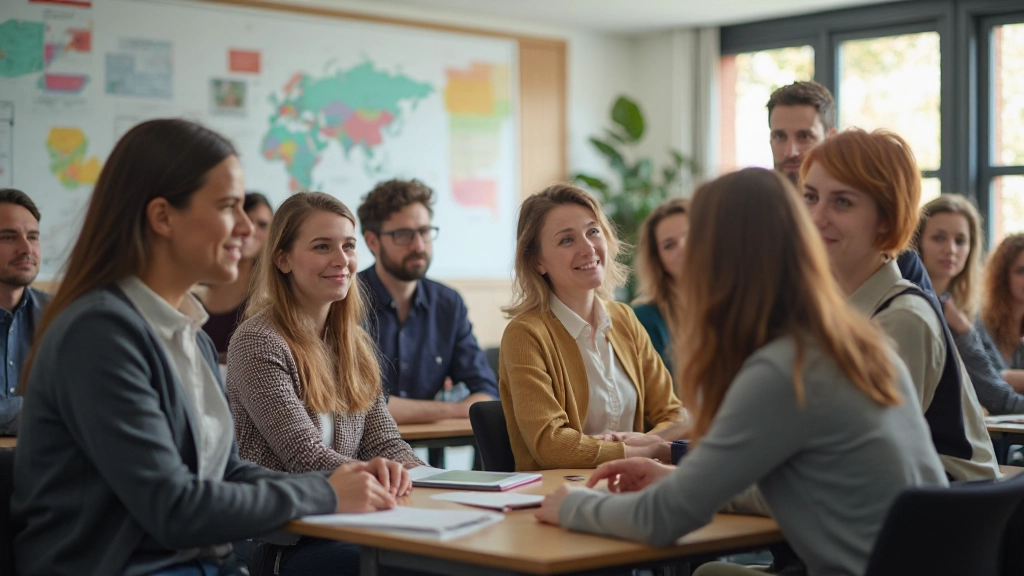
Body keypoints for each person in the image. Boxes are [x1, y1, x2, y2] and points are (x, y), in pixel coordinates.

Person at [11, 119, 402, 576]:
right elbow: (172, 506)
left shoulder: (189, 334)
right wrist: (328, 491)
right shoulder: (99, 332)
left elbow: (227, 471)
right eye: (227, 207)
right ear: (162, 217)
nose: (245, 228)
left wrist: (346, 482)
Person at [535, 168, 947, 576]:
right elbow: (809, 487)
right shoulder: (858, 341)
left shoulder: (784, 368)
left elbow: (661, 520)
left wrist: (569, 504)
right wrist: (674, 478)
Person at [228, 191, 422, 575]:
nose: (342, 261)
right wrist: (379, 480)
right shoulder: (258, 341)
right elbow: (306, 458)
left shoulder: (351, 341)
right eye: (322, 246)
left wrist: (419, 480)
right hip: (287, 541)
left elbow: (385, 442)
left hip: (353, 524)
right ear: (282, 259)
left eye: (348, 246)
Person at [802, 128, 999, 481]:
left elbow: (844, 469)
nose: (817, 217)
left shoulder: (902, 319)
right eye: (810, 197)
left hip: (935, 519)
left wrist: (703, 481)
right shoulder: (831, 311)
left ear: (887, 220)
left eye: (842, 202)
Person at [499, 183, 686, 471]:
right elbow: (551, 445)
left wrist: (648, 446)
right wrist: (639, 451)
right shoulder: (526, 334)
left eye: (593, 231)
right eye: (566, 240)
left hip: (632, 483)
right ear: (537, 261)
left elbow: (674, 413)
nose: (588, 248)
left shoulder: (624, 319)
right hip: (556, 495)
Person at [767, 81, 935, 294]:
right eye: (779, 136)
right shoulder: (757, 229)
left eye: (804, 136)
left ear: (831, 138)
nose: (790, 151)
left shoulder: (881, 248)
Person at [357, 179, 497, 424]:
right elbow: (358, 404)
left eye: (424, 231)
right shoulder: (346, 301)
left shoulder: (448, 303)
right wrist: (451, 409)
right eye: (403, 235)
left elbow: (486, 394)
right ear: (372, 241)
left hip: (431, 456)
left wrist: (409, 410)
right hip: (362, 458)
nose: (419, 245)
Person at [915, 195, 1024, 413]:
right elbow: (999, 397)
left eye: (960, 241)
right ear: (917, 242)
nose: (951, 249)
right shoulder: (911, 304)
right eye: (938, 238)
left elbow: (996, 379)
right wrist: (964, 331)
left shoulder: (965, 310)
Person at [196, 192, 273, 359]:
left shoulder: (270, 295)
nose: (250, 229)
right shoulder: (194, 282)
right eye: (244, 219)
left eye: (262, 224)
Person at [0, 188, 50, 436]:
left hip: (45, 466)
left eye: (33, 237)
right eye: (8, 237)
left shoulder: (62, 314)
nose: (26, 249)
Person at [632, 198, 688, 373]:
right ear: (658, 260)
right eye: (669, 245)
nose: (683, 248)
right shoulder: (645, 317)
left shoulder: (735, 303)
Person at [979, 234, 1024, 391]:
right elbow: (979, 380)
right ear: (1002, 277)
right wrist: (1008, 377)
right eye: (1021, 271)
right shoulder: (979, 324)